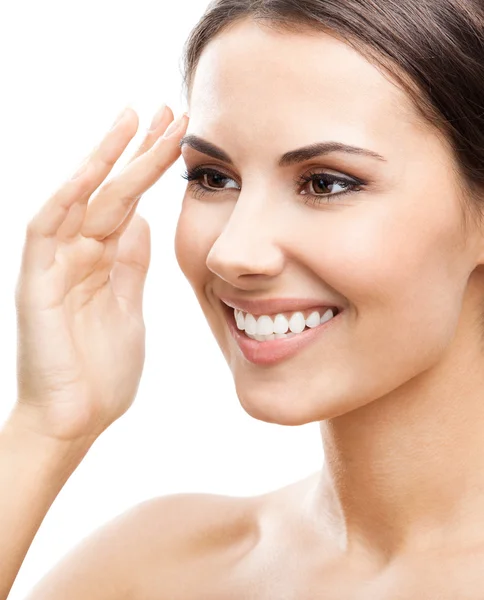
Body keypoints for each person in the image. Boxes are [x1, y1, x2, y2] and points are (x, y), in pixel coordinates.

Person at [3, 0, 484, 597]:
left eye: (327, 182)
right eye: (213, 177)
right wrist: (47, 428)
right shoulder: (149, 570)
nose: (233, 252)